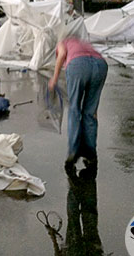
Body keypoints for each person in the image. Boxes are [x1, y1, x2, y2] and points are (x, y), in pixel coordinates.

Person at [49, 36, 107, 174]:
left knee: (74, 110)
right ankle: (91, 154)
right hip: (101, 65)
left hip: (78, 65)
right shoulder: (83, 43)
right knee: (90, 112)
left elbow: (62, 54)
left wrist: (55, 78)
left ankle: (74, 151)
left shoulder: (62, 42)